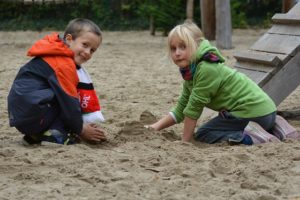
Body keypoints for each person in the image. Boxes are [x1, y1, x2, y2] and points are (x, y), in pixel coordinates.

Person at [147, 22, 278, 145]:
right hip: (266, 111)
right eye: (173, 48)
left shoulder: (206, 68)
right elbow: (182, 108)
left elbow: (193, 109)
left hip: (254, 113)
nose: (177, 53)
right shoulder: (192, 71)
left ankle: (251, 138)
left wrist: (185, 142)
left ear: (197, 45)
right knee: (213, 128)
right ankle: (276, 128)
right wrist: (155, 127)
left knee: (204, 134)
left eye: (183, 46)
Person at [7, 18, 107, 145]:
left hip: (24, 115)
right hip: (32, 115)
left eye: (92, 50)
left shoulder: (57, 52)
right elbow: (69, 102)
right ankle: (55, 134)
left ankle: (37, 135)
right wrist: (81, 129)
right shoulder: (63, 64)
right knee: (66, 99)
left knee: (62, 95)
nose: (87, 53)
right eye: (85, 45)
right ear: (69, 39)